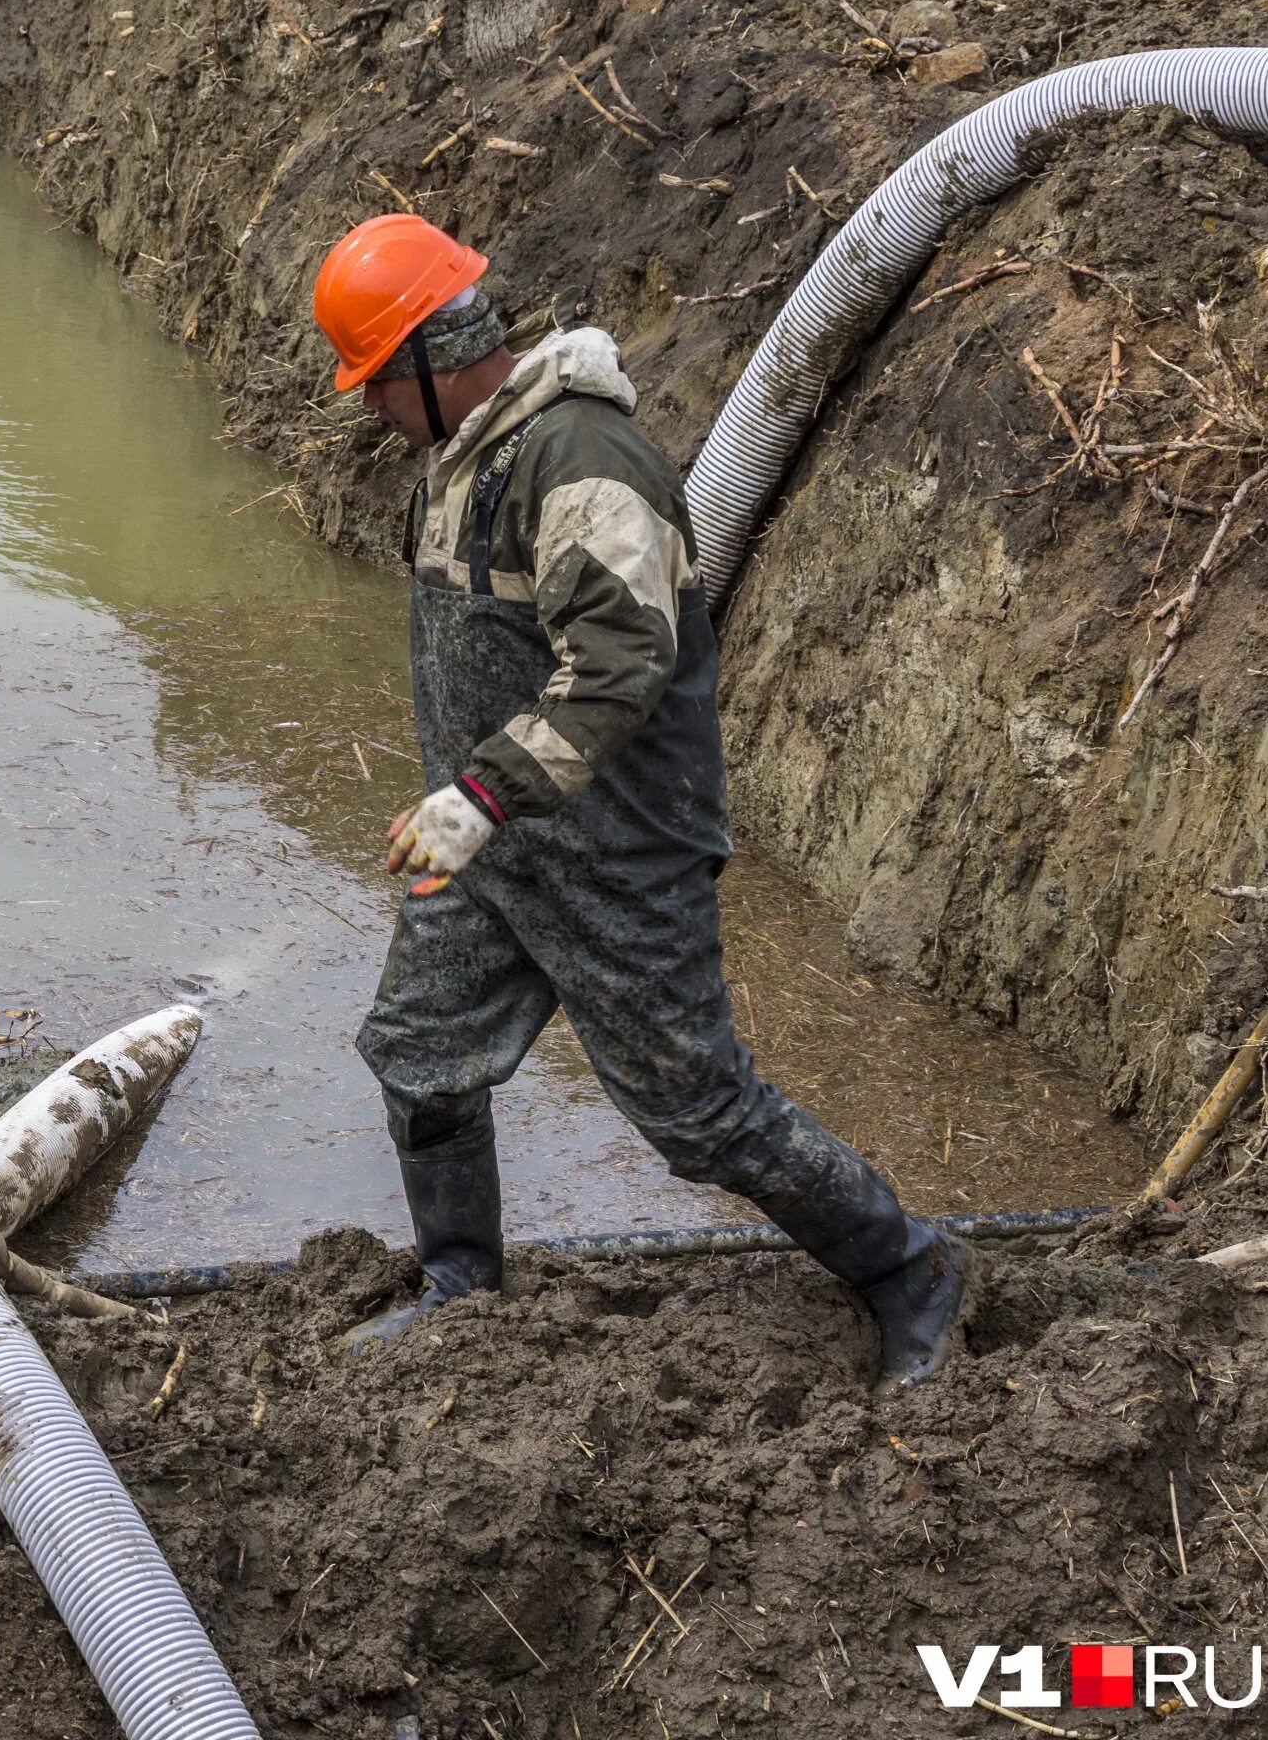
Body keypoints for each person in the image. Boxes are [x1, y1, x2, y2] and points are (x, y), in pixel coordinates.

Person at [309, 212, 966, 1385]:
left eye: (373, 379)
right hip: (499, 842)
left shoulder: (580, 461)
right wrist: (472, 808)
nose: (367, 406)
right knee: (419, 1052)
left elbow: (616, 664)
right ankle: (462, 1284)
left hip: (612, 849)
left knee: (698, 1110)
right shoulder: (461, 461)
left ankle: (908, 1268)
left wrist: (480, 793)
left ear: (430, 352)